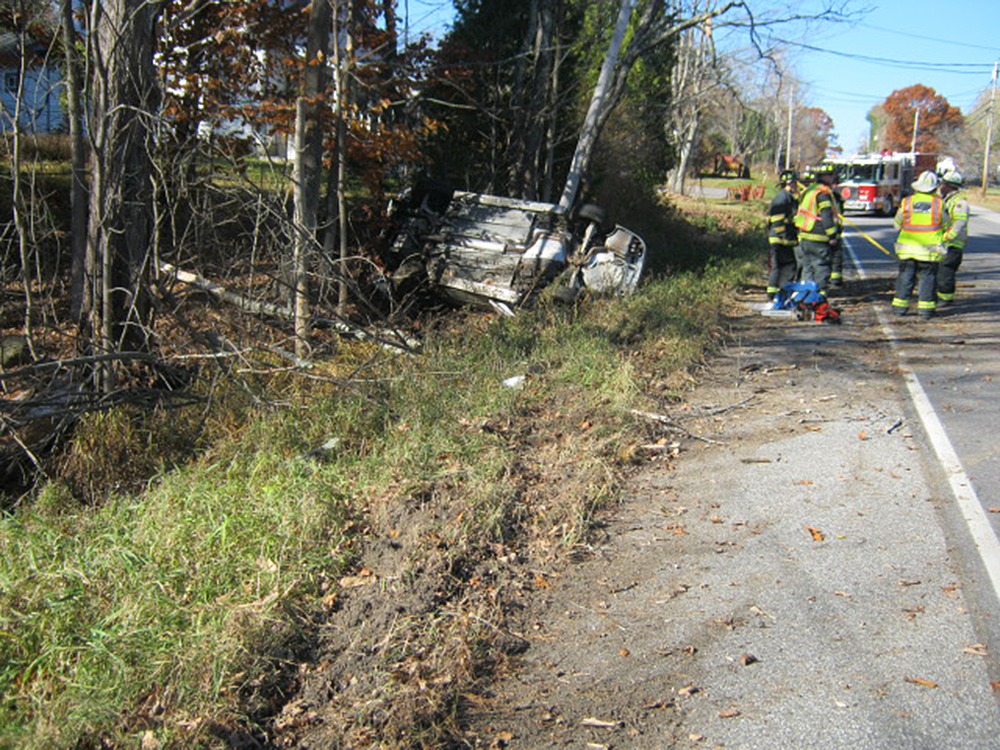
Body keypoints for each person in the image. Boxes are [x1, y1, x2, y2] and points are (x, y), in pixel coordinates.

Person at [891, 170, 945, 319]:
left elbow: (897, 223)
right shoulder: (939, 204)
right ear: (935, 188)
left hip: (907, 248)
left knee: (905, 277)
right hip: (929, 250)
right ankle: (926, 311)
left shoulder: (907, 202)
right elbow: (946, 224)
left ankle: (899, 309)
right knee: (928, 278)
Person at [793, 163, 839, 295]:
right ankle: (819, 299)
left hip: (805, 234)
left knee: (807, 269)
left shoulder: (809, 190)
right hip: (818, 236)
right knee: (821, 268)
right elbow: (826, 216)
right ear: (826, 177)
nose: (832, 179)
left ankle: (805, 298)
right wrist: (832, 236)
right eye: (831, 176)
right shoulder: (823, 194)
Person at [937, 170, 969, 308]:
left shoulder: (959, 202)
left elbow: (959, 223)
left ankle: (945, 299)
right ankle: (940, 296)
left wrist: (948, 236)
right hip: (944, 243)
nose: (940, 186)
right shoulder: (947, 199)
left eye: (943, 184)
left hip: (952, 244)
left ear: (950, 186)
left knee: (946, 272)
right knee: (940, 270)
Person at [766, 169, 799, 300]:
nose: (796, 185)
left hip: (784, 240)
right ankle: (775, 295)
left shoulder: (789, 198)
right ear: (789, 183)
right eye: (795, 183)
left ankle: (778, 294)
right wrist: (783, 236)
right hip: (780, 241)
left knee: (785, 267)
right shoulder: (782, 198)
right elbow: (777, 220)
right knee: (782, 268)